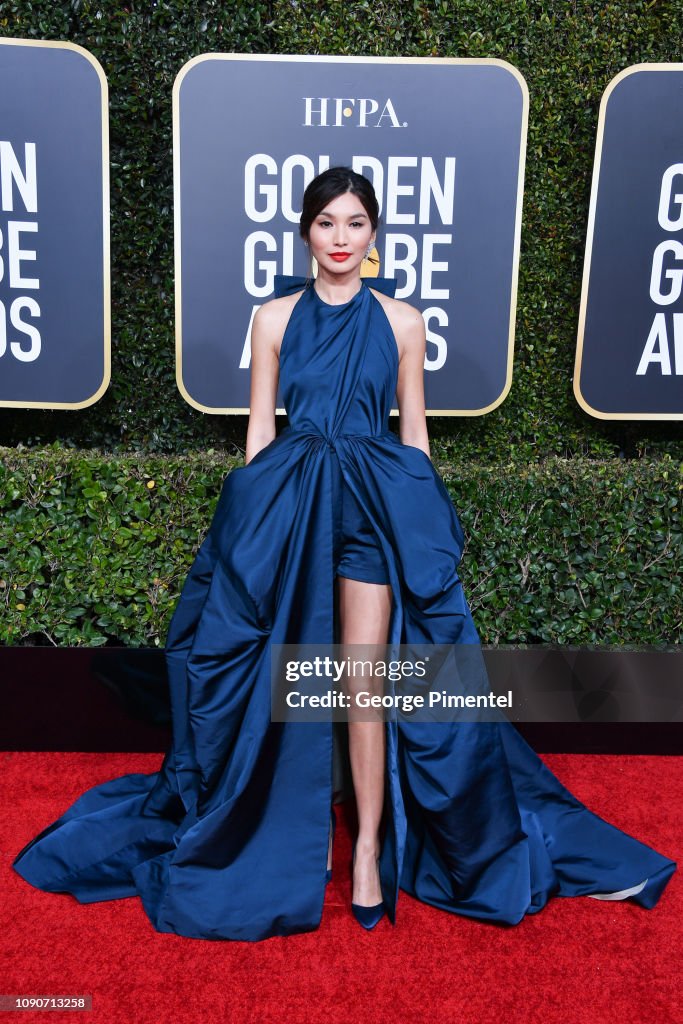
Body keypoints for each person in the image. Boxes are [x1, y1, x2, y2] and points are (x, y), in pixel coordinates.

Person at [13, 167, 676, 941]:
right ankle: (268, 833)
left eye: (355, 223)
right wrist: (246, 532)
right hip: (292, 506)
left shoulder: (401, 320)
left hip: (369, 508)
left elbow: (414, 433)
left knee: (362, 684)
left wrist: (423, 527)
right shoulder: (271, 318)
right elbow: (261, 432)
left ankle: (364, 850)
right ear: (304, 232)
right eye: (326, 223)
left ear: (374, 234)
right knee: (276, 669)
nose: (339, 238)